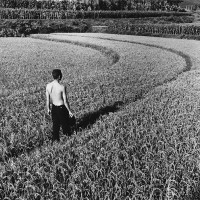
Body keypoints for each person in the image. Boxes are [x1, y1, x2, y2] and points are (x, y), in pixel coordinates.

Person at [46, 69, 73, 142]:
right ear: (59, 76)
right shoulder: (62, 87)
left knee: (55, 125)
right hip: (61, 108)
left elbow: (48, 100)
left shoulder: (48, 86)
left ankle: (56, 140)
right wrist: (69, 111)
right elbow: (65, 101)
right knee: (65, 124)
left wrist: (48, 109)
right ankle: (68, 139)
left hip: (54, 108)